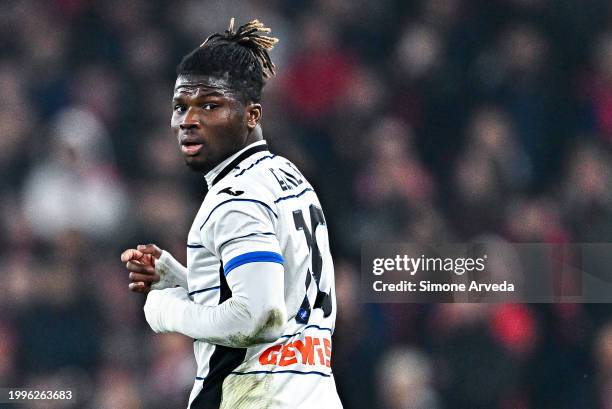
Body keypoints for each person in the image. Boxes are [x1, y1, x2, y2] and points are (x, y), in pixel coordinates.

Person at [120, 18, 342, 409]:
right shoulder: (288, 176)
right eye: (180, 106)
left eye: (210, 105)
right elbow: (280, 304)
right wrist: (185, 280)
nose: (188, 120)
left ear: (252, 115)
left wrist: (167, 311)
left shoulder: (235, 199)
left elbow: (261, 316)